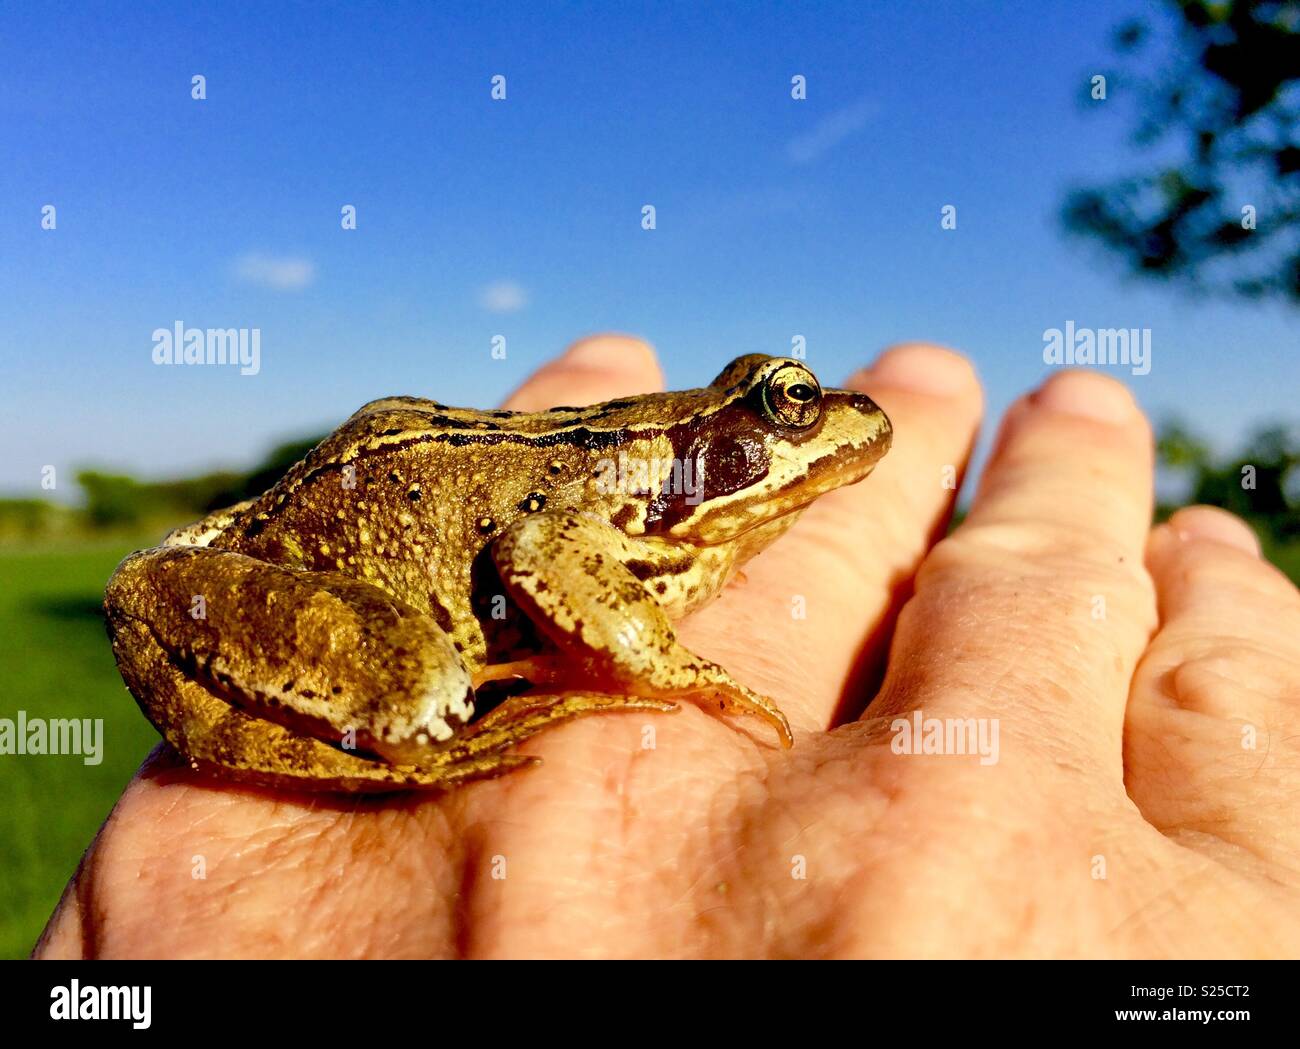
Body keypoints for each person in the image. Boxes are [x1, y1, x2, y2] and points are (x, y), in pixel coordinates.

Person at [36, 336, 1300, 958]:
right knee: (426, 690)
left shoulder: (654, 500)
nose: (823, 425)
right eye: (787, 407)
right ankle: (391, 744)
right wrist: (664, 660)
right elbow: (540, 558)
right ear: (721, 434)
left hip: (295, 523)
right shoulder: (610, 499)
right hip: (341, 561)